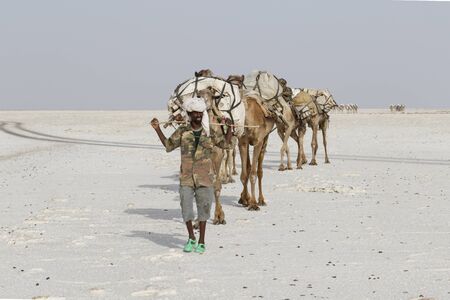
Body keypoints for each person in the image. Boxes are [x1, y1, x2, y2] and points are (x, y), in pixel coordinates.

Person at [150, 97, 232, 254]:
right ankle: (191, 238)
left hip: (206, 178)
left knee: (204, 209)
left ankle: (201, 241)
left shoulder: (210, 132)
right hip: (186, 178)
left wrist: (230, 130)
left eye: (200, 113)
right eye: (195, 113)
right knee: (186, 209)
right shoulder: (182, 131)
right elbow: (168, 146)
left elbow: (225, 145)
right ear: (189, 113)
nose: (198, 116)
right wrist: (157, 129)